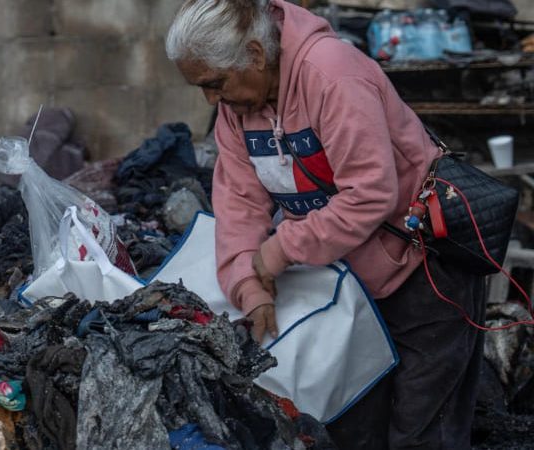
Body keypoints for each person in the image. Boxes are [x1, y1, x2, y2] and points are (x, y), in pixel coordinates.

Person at [165, 1, 486, 449]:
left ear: (256, 55)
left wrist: (278, 251)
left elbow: (371, 193)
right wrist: (248, 285)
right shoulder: (237, 112)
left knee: (424, 431)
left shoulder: (331, 74)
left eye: (215, 84)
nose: (212, 100)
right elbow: (237, 204)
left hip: (423, 269)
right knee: (355, 427)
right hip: (350, 285)